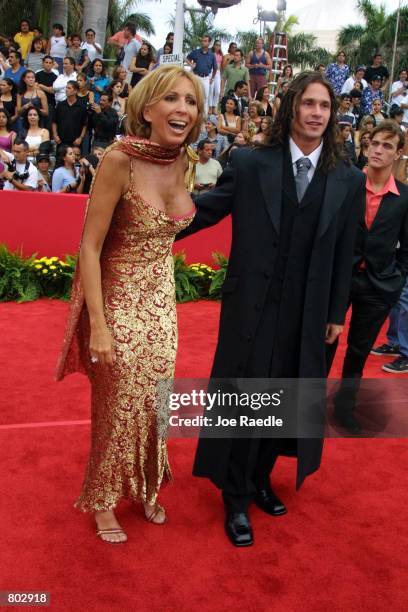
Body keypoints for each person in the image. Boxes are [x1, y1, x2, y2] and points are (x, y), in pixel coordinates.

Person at [176, 70, 365, 547]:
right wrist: (146, 227)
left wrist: (335, 313)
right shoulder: (252, 161)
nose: (316, 114)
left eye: (324, 106)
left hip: (309, 313)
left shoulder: (348, 178)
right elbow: (206, 209)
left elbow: (346, 251)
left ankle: (261, 476)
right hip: (253, 308)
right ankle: (236, 496)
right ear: (291, 109)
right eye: (308, 104)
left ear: (332, 114)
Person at [55, 65, 204, 544]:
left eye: (192, 101)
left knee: (156, 403)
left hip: (162, 303)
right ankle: (102, 499)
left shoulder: (186, 161)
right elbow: (90, 246)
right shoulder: (119, 160)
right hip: (116, 302)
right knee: (117, 402)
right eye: (172, 99)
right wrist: (97, 324)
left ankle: (145, 486)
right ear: (146, 107)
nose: (183, 109)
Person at [327, 121, 408, 434]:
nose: (378, 150)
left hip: (378, 286)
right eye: (374, 143)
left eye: (388, 145)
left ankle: (344, 409)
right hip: (339, 281)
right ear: (366, 145)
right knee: (324, 343)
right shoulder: (346, 185)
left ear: (398, 153)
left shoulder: (403, 198)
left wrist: (396, 279)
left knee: (359, 351)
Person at [187, 35, 218, 115]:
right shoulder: (196, 52)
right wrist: (191, 64)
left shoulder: (212, 55)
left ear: (209, 43)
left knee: (205, 97)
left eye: (205, 41)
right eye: (202, 40)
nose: (203, 42)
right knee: (194, 96)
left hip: (206, 78)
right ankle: (193, 114)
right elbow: (187, 58)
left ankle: (203, 118)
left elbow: (215, 68)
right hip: (196, 76)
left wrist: (212, 78)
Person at [52, 80, 87, 148]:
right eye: (66, 88)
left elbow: (85, 124)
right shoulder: (60, 105)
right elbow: (54, 122)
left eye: (69, 88)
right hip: (61, 141)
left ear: (75, 91)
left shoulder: (82, 106)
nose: (66, 90)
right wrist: (55, 135)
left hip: (75, 142)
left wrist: (80, 138)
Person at [35, 55, 58, 131]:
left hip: (50, 104)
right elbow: (35, 87)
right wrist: (47, 88)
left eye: (50, 63)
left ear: (52, 64)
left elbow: (53, 91)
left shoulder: (55, 77)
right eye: (46, 62)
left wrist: (41, 85)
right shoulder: (37, 75)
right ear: (43, 63)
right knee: (37, 125)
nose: (48, 64)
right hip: (38, 103)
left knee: (48, 127)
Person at [209, 40, 223, 115]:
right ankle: (210, 107)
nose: (218, 46)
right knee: (211, 90)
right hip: (210, 72)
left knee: (217, 90)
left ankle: (215, 106)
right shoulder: (210, 53)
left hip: (217, 73)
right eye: (216, 45)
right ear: (214, 45)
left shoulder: (220, 54)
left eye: (219, 45)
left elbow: (221, 65)